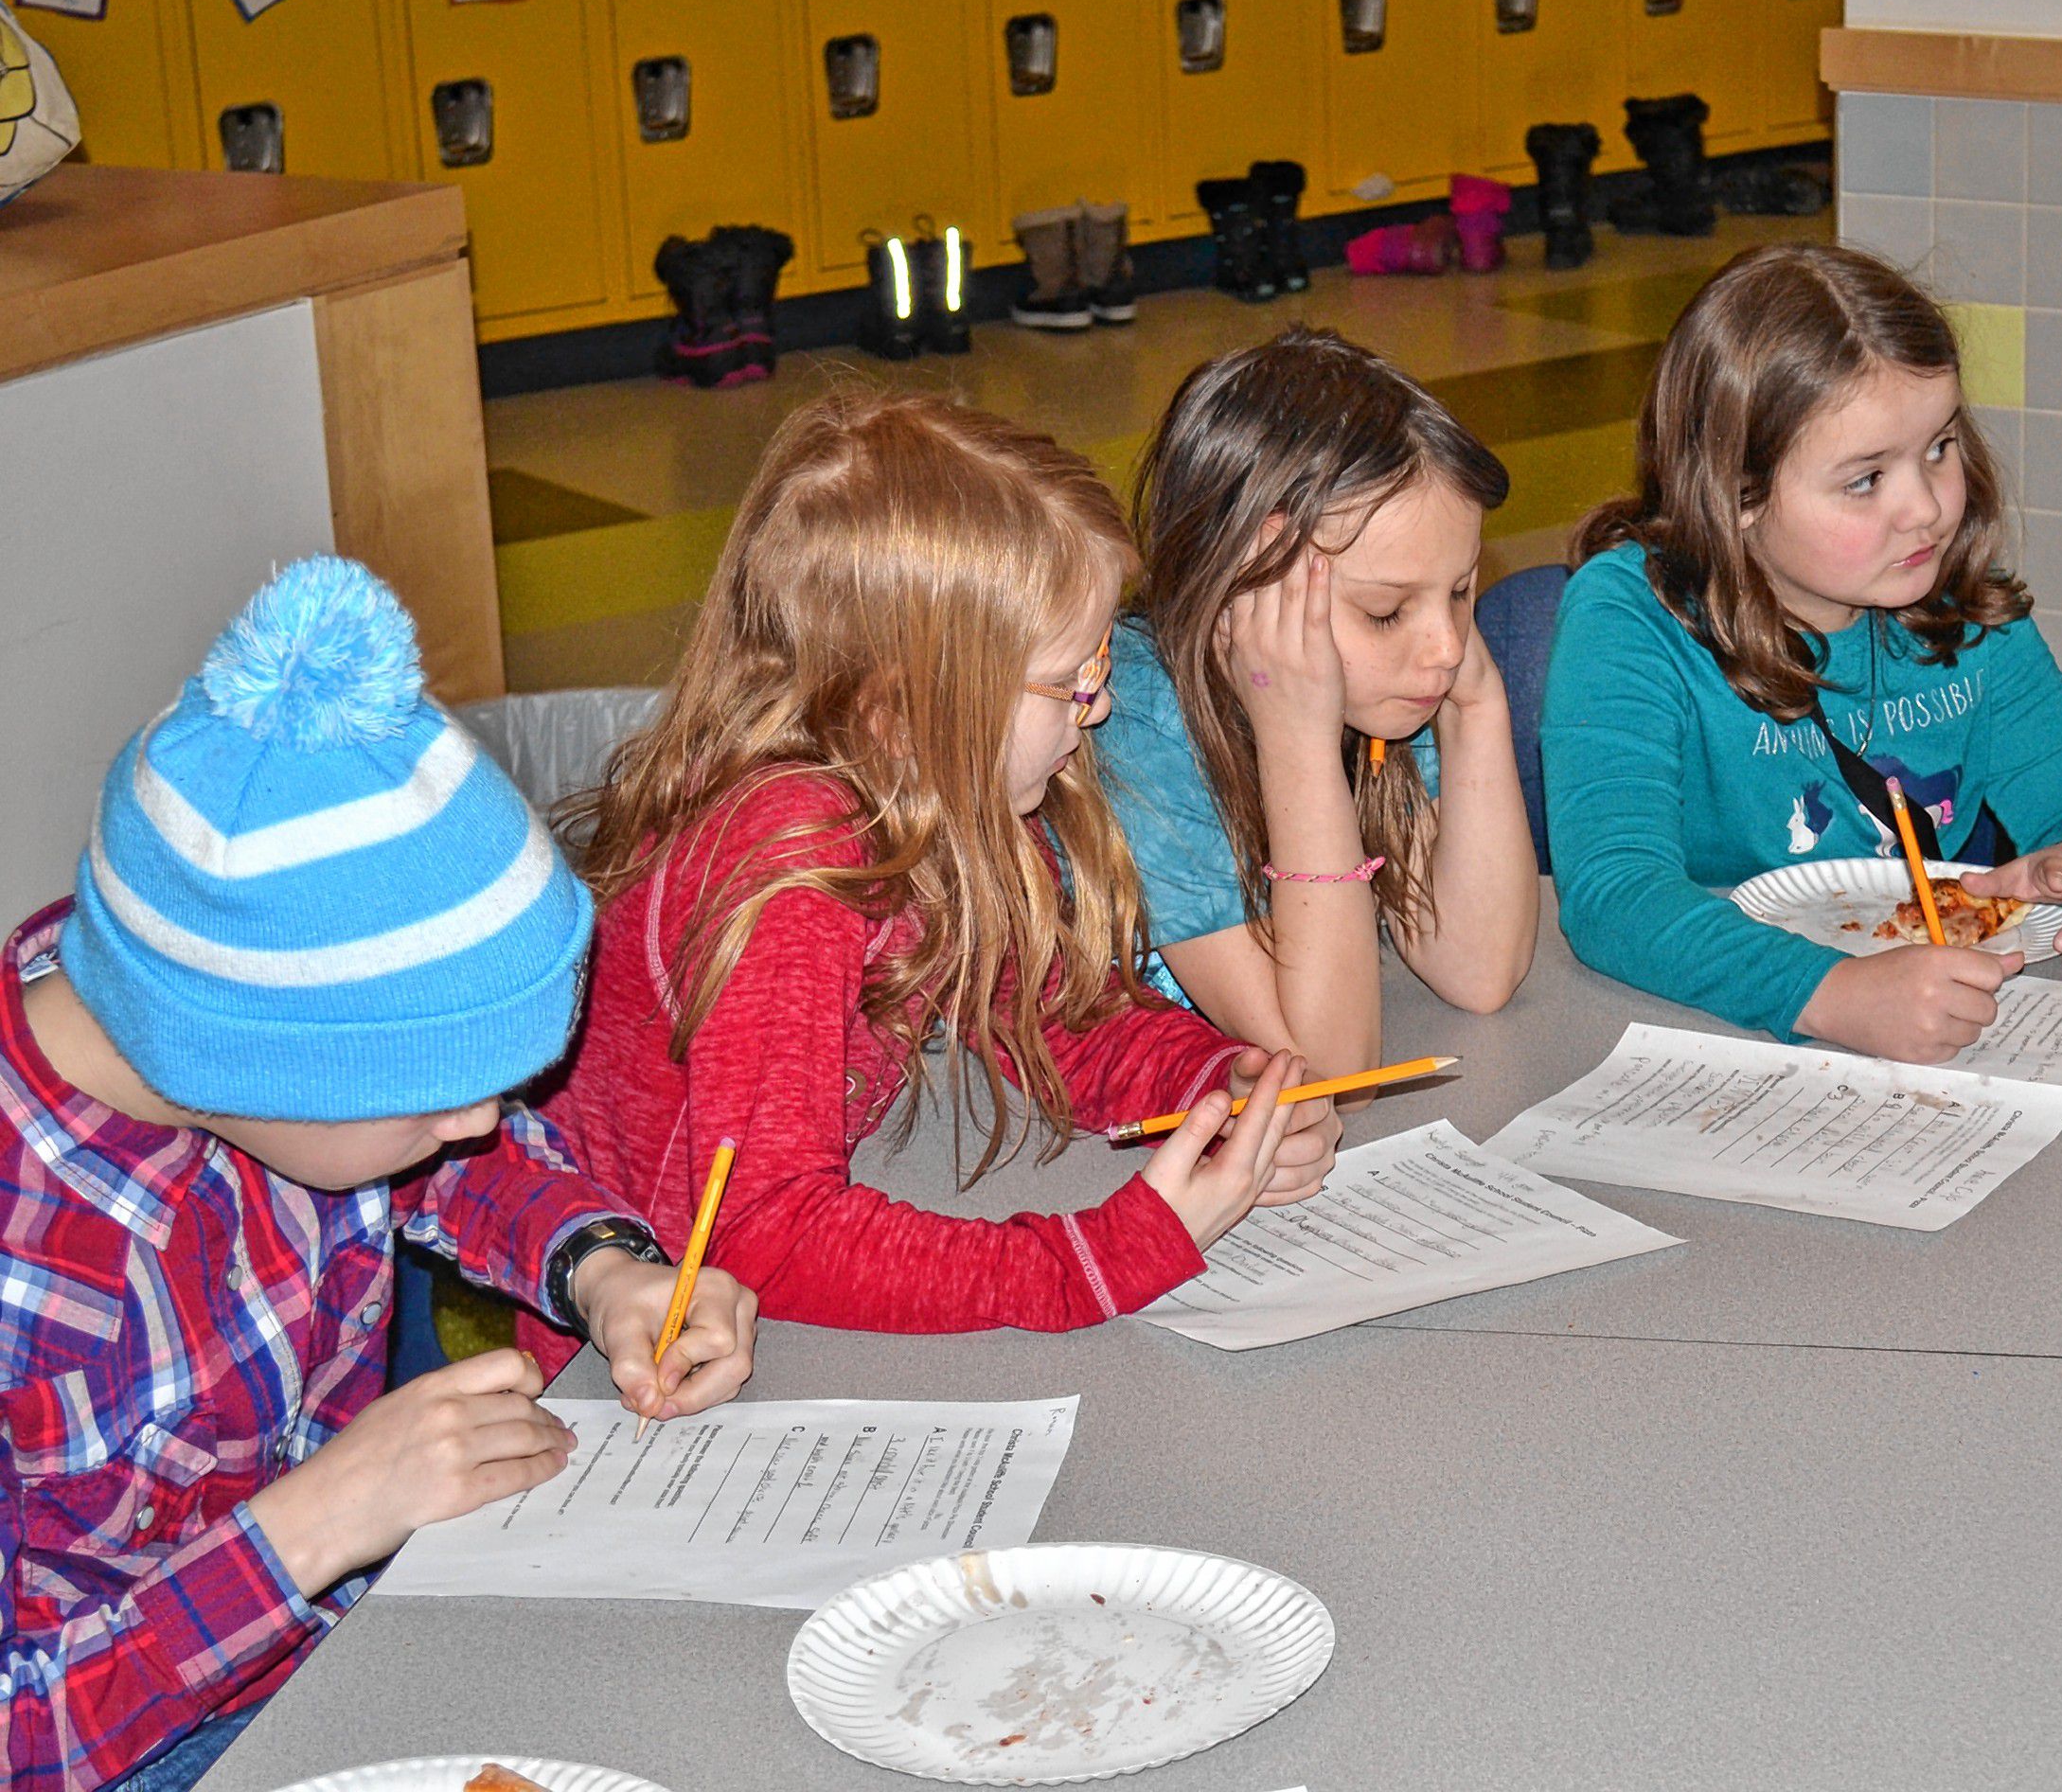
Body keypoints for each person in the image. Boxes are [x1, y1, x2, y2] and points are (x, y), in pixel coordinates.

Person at [4, 557, 755, 1792]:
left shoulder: (215, 1038)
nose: (481, 1122)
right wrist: (314, 1526)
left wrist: (610, 1272)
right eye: (429, 1099)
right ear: (249, 1060)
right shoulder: (32, 1257)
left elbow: (466, 1169)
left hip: (359, 1652)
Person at [537, 392, 1337, 1349]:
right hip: (642, 1343)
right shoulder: (790, 867)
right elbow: (765, 1230)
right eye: (1073, 678)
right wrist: (1090, 1260)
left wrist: (1212, 1084)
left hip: (747, 1315)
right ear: (910, 702)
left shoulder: (931, 792)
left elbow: (1053, 1014)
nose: (1103, 704)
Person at [1543, 241, 2062, 1064]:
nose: (1926, 511)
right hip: (1710, 1028)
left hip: (1930, 1030)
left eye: (1939, 448)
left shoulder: (1968, 614)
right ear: (1736, 496)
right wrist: (1829, 995)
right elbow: (1615, 896)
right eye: (1866, 479)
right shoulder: (1633, 618)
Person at [1096, 328, 1539, 1080]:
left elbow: (1479, 972)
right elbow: (1329, 1072)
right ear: (1253, 586)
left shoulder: (1392, 692)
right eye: (1387, 611)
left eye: (1461, 590)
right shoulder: (1137, 719)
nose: (1444, 646)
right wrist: (1297, 739)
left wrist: (1478, 707)